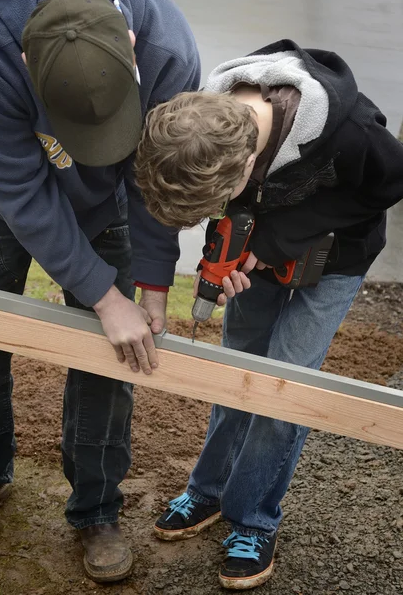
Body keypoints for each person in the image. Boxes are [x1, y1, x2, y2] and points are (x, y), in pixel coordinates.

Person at [0, 0, 200, 583]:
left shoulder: (168, 48)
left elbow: (154, 176)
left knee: (114, 357)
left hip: (108, 201)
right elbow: (18, 187)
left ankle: (96, 509)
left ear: (130, 49)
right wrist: (105, 297)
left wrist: (152, 283)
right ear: (27, 57)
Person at [135, 39, 403, 590]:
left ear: (246, 167)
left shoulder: (349, 129)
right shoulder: (207, 120)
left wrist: (278, 237)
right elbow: (228, 200)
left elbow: (390, 183)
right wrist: (229, 244)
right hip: (261, 244)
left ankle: (254, 518)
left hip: (338, 258)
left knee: (284, 382)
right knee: (239, 366)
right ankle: (208, 490)